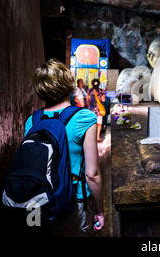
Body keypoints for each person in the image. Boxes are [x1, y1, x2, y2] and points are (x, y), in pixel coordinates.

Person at [25, 59, 104, 236]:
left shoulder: (32, 121)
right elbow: (92, 174)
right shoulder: (85, 118)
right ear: (68, 84)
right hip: (72, 200)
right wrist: (100, 211)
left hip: (37, 201)